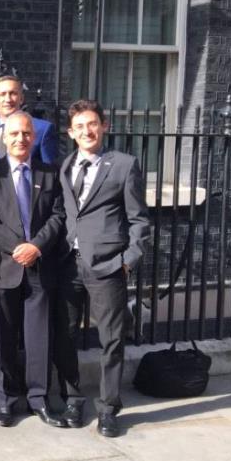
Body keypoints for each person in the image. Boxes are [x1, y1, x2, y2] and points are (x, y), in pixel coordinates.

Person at [52, 99, 150, 438]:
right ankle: (72, 399)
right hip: (68, 265)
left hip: (108, 266)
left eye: (91, 124)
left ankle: (109, 408)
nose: (86, 131)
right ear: (70, 132)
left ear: (103, 126)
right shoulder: (65, 165)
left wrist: (127, 262)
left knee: (111, 340)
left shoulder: (123, 165)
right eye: (79, 126)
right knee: (64, 336)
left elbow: (139, 220)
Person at [0, 112, 67, 428]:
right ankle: (4, 401)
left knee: (38, 337)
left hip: (40, 267)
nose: (20, 139)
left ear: (34, 137)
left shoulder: (50, 173)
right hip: (5, 267)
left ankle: (38, 399)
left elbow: (58, 216)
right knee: (3, 337)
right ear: (4, 137)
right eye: (14, 134)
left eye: (26, 134)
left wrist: (36, 246)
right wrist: (19, 247)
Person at [0, 75, 59, 163]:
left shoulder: (42, 130)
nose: (8, 99)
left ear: (21, 98)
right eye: (2, 94)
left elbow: (49, 170)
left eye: (13, 93)